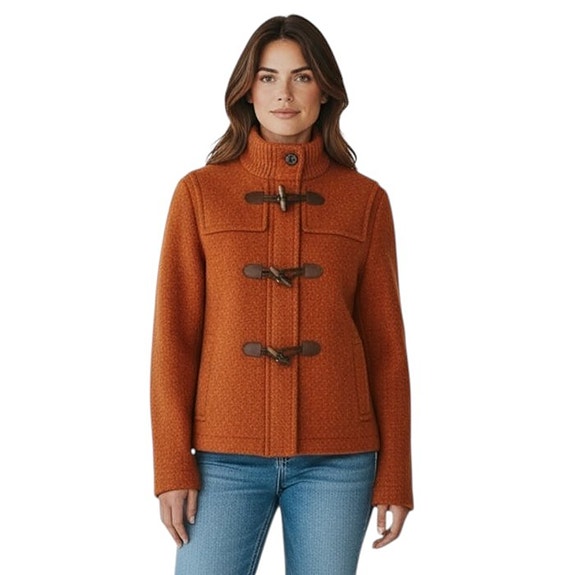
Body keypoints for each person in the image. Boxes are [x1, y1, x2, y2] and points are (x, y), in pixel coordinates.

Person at [150, 14, 413, 575]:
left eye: (302, 76)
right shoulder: (199, 194)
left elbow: (386, 347)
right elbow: (174, 338)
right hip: (222, 458)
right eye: (268, 77)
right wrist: (171, 463)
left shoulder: (365, 201)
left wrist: (396, 472)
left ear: (326, 90)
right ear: (247, 90)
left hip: (339, 460)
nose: (284, 94)